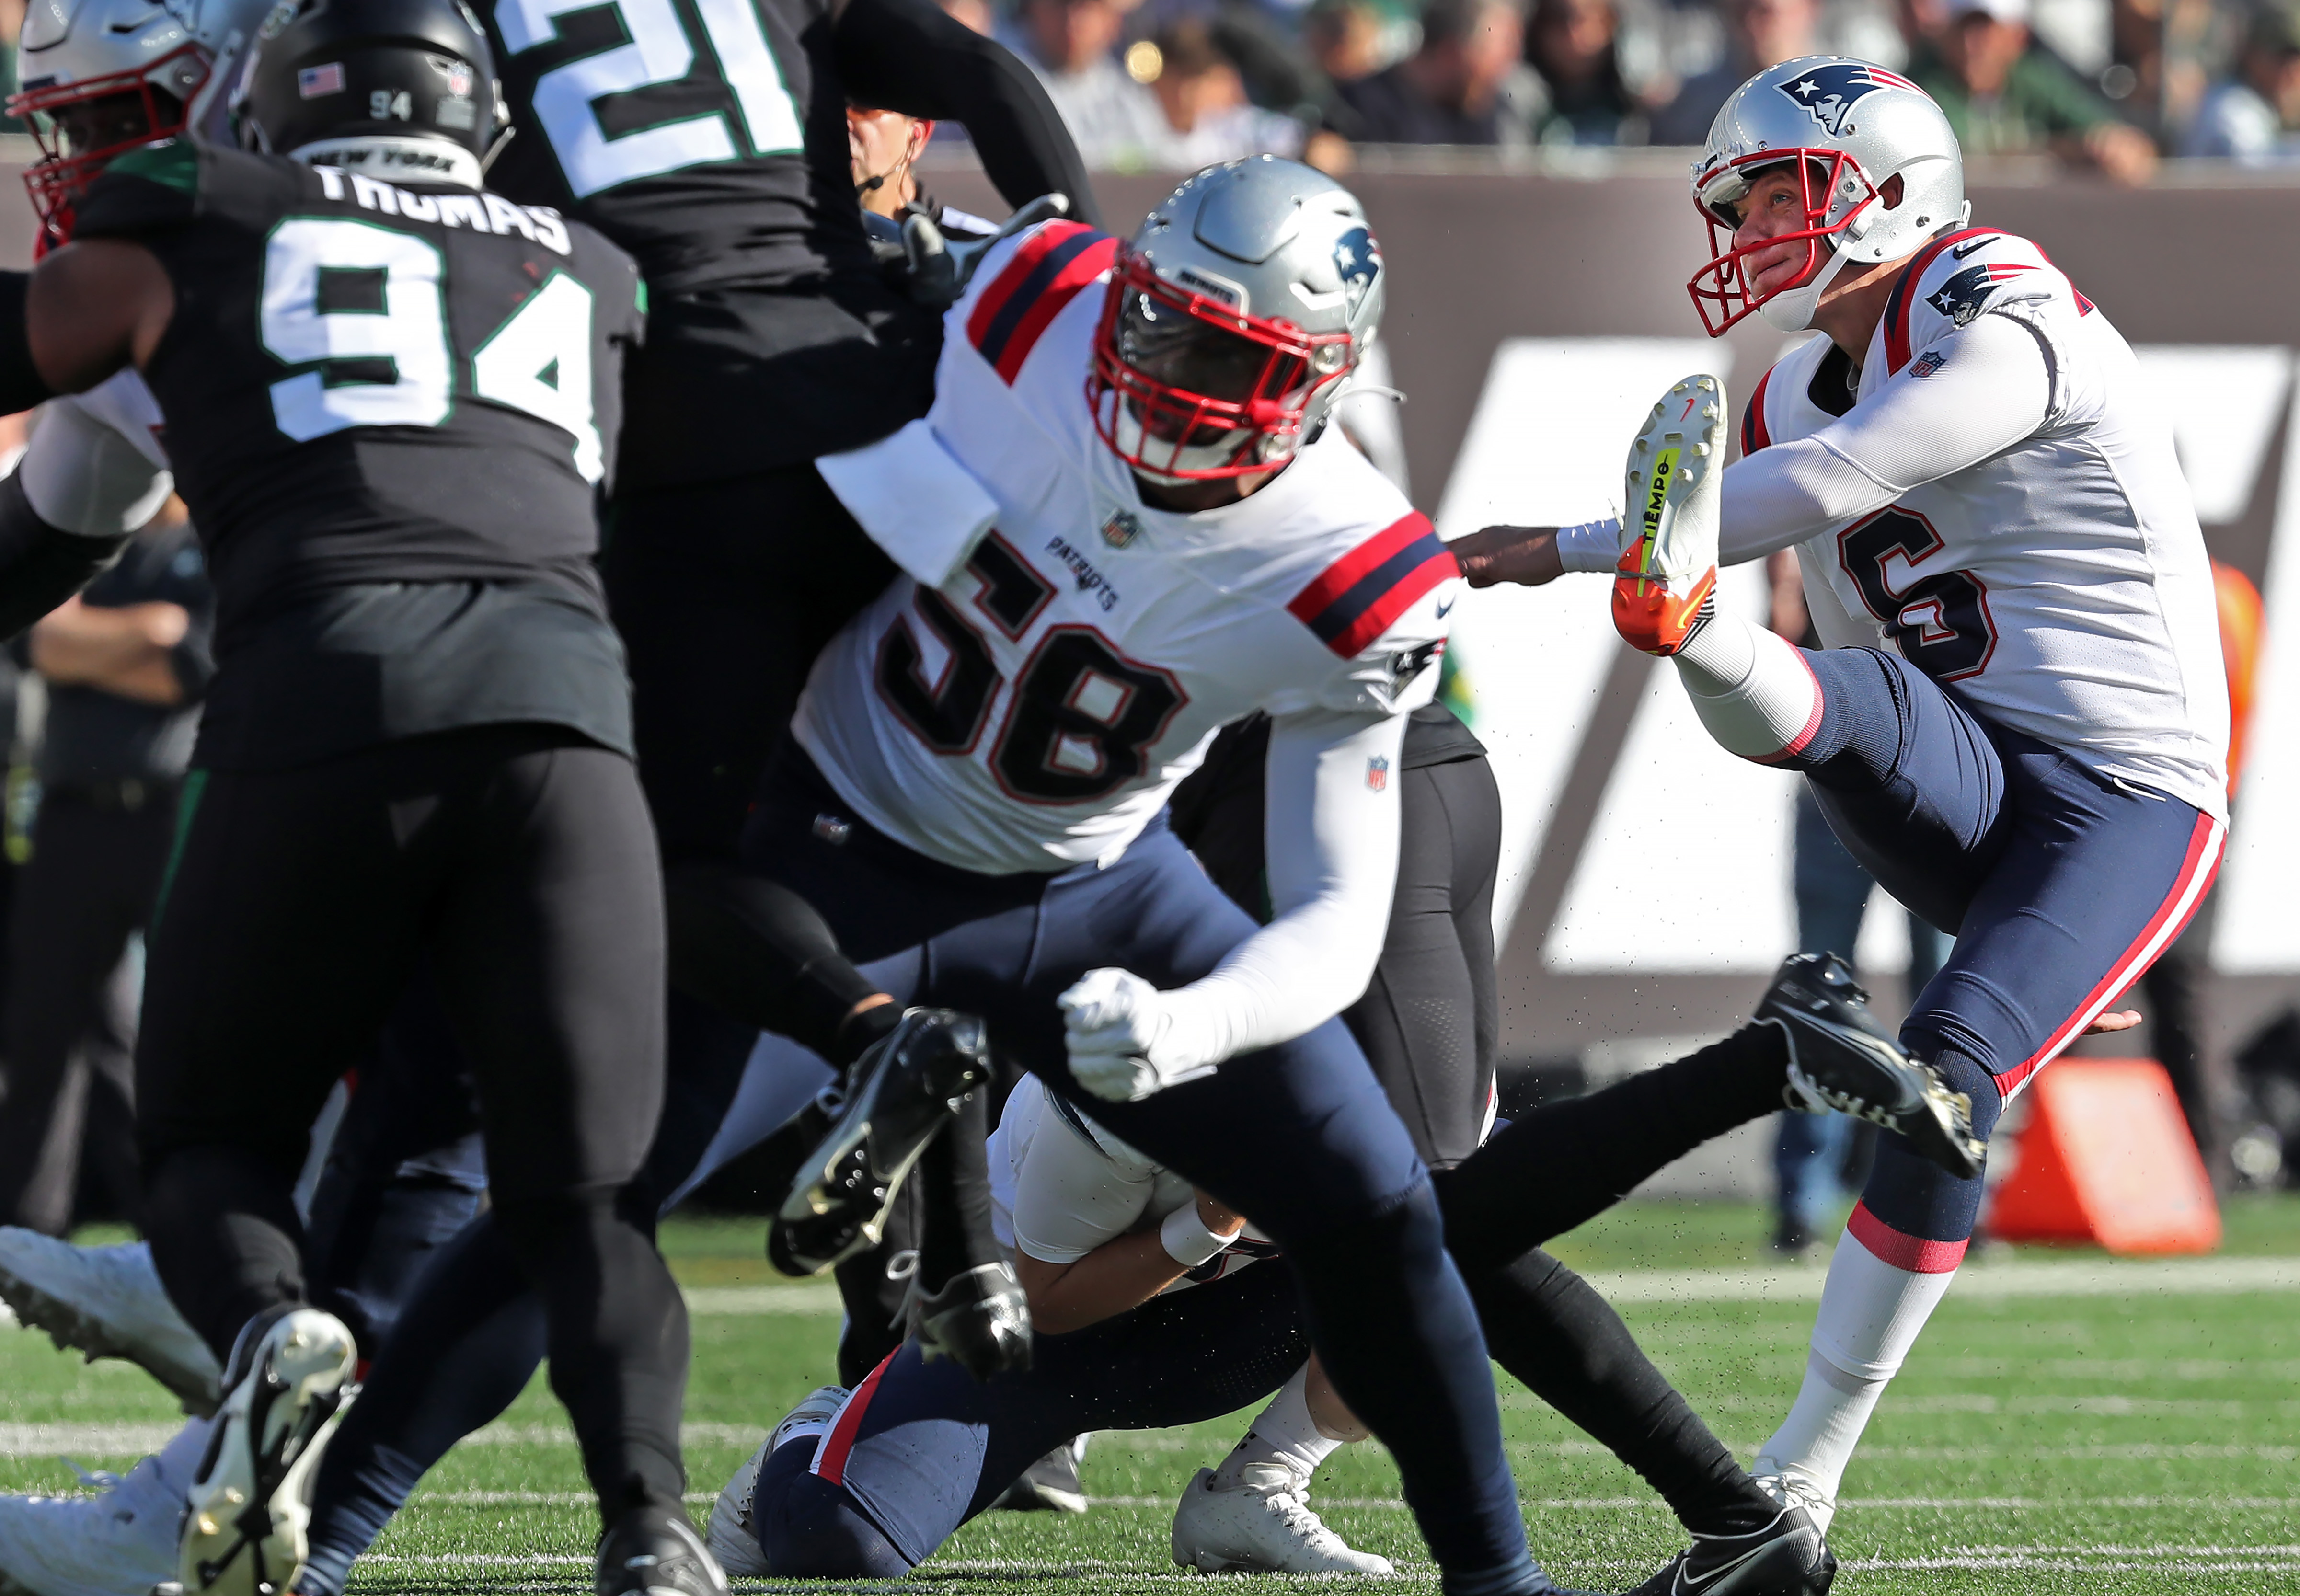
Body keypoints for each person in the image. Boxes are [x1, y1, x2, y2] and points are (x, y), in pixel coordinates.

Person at [2, 1, 734, 1593]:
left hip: (332, 689)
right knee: (584, 1195)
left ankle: (263, 1332)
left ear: (255, 94)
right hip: (570, 725)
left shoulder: (195, 214)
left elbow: (41, 449)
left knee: (205, 1136)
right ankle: (654, 1529)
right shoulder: (588, 263)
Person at [1452, 57, 2225, 1536]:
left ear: (1886, 187)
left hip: (2124, 799)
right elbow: (1862, 683)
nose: (1751, 224)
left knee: (1942, 1082)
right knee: (1836, 695)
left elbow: (1840, 478)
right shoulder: (1797, 378)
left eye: (1779, 192)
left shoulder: (2002, 302)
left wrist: (1563, 543)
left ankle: (1801, 1473)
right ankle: (1684, 619)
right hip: (1967, 770)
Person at [705, 974, 1906, 1590]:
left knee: (1438, 1247)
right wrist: (1206, 1221)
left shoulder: (1369, 1060)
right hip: (1048, 1331)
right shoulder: (1104, 1109)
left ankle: (1257, 1481)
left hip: (1238, 1324)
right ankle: (829, 1427)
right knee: (834, 1540)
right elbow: (1047, 1294)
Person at [0, 494, 210, 1238]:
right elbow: (33, 642)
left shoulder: (210, 541)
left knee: (184, 1027)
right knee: (46, 1030)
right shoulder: (98, 544)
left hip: (171, 810)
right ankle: (24, 1236)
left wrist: (87, 645)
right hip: (70, 812)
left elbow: (190, 668)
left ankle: (184, 1226)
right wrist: (146, 633)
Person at [1763, 549, 1949, 1257]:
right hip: (1851, 790)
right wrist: (1784, 587)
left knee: (1946, 999)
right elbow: (1773, 656)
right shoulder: (1829, 516)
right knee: (1823, 989)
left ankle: (1944, 1192)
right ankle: (1803, 1203)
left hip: (1927, 792)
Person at [1907, 0, 2158, 182]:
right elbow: (1964, 160)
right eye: (1965, 28)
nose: (1973, 45)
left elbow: (2107, 133)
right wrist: (2066, 152)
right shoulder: (1922, 89)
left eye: (1987, 30)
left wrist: (2114, 146)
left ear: (2017, 36)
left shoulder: (2034, 80)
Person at [1336, 0, 1530, 144]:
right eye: (1499, 52)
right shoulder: (1360, 108)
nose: (1508, 67)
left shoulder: (1488, 112)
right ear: (1450, 52)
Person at [1007, 0, 1172, 166]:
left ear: (1113, 22)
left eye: (1085, 7)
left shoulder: (1129, 98)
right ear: (1030, 11)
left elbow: (1155, 167)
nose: (1072, 20)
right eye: (1059, 4)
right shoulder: (1002, 82)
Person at [1650, 0, 1822, 145]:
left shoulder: (1841, 87)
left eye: (1766, 15)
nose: (1752, 25)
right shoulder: (1695, 101)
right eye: (1742, 14)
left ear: (1809, 10)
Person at [2180, 0, 2300, 160]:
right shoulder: (2229, 109)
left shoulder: (2261, 107)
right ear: (2251, 56)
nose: (2291, 73)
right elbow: (2256, 172)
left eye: (2297, 60)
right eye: (2281, 59)